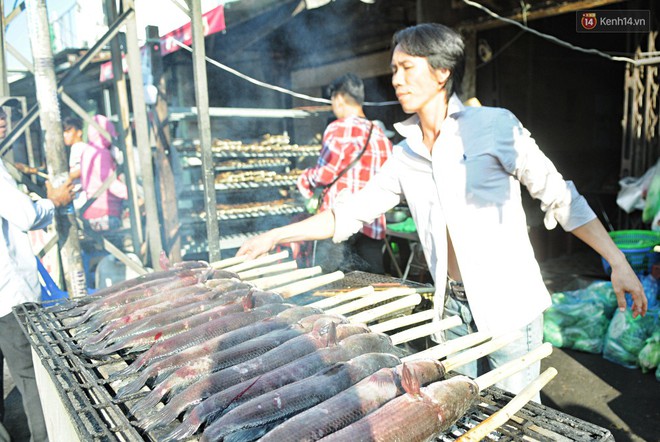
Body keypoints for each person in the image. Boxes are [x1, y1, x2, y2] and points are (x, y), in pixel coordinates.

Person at [237, 23, 646, 399]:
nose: (395, 79)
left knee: (518, 416)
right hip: (449, 308)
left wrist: (618, 263)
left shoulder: (496, 126)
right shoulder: (404, 153)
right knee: (461, 410)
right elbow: (348, 213)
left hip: (509, 304)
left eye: (406, 68)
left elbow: (562, 198)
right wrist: (274, 236)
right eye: (393, 69)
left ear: (441, 72)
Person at [0, 108, 74, 442]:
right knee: (32, 378)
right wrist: (53, 202)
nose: (3, 120)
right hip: (9, 297)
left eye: (3, 113)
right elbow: (26, 215)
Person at [296, 73, 393, 273]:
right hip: (372, 226)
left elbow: (327, 173)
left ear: (339, 98)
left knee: (327, 290)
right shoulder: (380, 134)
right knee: (373, 290)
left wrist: (305, 179)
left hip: (337, 226)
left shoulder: (338, 128)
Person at [80, 115, 128, 232]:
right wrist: (132, 194)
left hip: (92, 209)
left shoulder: (87, 151)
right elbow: (110, 183)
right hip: (105, 210)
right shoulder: (102, 153)